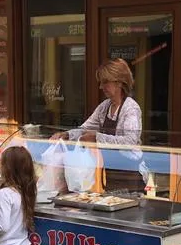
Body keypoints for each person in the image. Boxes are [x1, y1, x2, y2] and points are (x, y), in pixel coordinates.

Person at [51, 58, 146, 192]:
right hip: (111, 176)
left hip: (131, 177)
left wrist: (97, 137)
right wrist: (67, 135)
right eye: (101, 82)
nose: (101, 87)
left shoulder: (131, 108)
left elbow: (129, 142)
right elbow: (85, 129)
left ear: (119, 82)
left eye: (105, 82)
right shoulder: (104, 107)